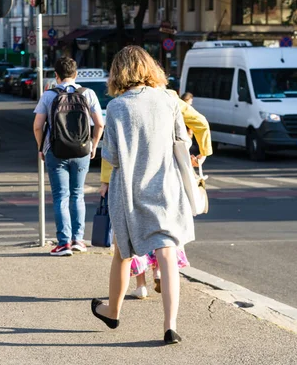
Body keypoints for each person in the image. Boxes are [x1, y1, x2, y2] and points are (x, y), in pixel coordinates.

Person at [91, 46, 195, 344]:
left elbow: (112, 156)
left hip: (130, 192)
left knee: (123, 252)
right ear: (150, 68)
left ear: (119, 72)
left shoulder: (117, 107)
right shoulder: (168, 100)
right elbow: (182, 141)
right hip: (166, 186)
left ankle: (112, 311)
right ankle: (170, 325)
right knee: (167, 253)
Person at [104, 90, 212, 299]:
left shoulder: (119, 103)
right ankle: (161, 275)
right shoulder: (169, 97)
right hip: (164, 179)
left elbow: (112, 152)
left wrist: (105, 179)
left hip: (131, 180)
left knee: (132, 237)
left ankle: (140, 284)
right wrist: (203, 153)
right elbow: (200, 122)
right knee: (164, 238)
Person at [33, 57, 105, 256]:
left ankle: (63, 243)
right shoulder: (87, 94)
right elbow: (99, 123)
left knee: (60, 197)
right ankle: (78, 240)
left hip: (56, 151)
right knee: (77, 194)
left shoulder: (49, 95)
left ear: (56, 75)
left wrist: (41, 146)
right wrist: (94, 145)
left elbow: (38, 125)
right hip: (82, 150)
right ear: (76, 74)